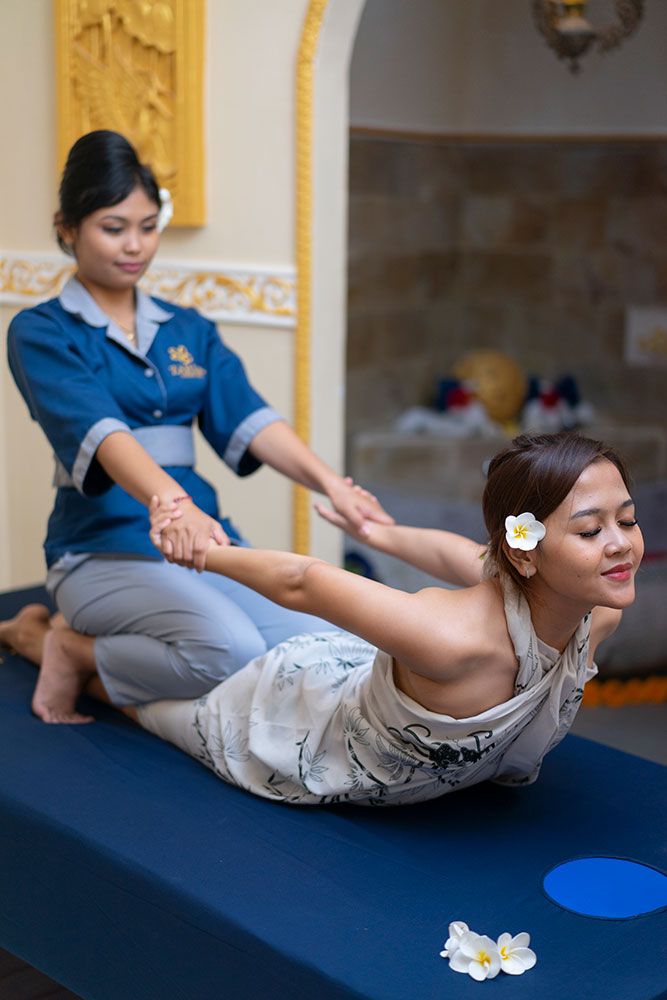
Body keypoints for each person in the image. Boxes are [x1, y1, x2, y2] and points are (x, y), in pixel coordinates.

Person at [23, 431, 643, 807]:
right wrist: (202, 554)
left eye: (627, 520)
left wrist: (378, 533)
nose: (620, 544)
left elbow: (461, 554)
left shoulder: (593, 617)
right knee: (155, 711)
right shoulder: (451, 640)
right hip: (296, 724)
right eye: (590, 530)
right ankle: (54, 644)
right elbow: (305, 581)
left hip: (349, 674)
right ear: (525, 554)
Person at [1, 129, 392, 724]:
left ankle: (62, 643)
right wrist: (172, 503)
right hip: (99, 550)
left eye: (148, 226)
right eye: (114, 228)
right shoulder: (41, 331)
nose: (135, 246)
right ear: (67, 228)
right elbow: (103, 432)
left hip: (202, 547)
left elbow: (252, 419)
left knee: (322, 642)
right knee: (228, 650)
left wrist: (333, 486)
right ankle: (64, 647)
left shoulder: (189, 328)